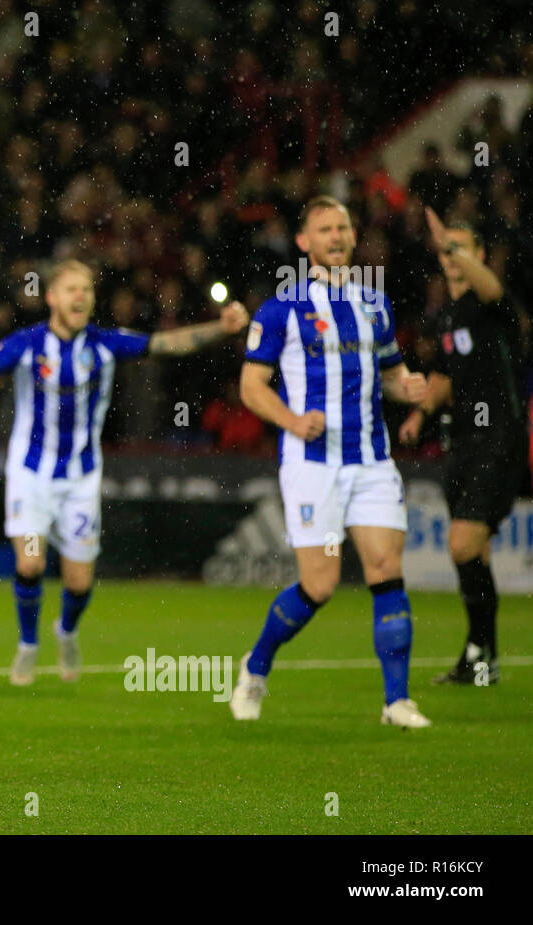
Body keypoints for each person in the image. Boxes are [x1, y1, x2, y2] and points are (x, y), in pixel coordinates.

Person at [0, 259, 248, 684]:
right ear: (51, 298)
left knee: (79, 580)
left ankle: (65, 631)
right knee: (30, 564)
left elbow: (166, 344)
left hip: (81, 478)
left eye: (86, 289)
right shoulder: (26, 344)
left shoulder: (104, 343)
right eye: (71, 289)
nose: (80, 296)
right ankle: (28, 645)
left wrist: (221, 328)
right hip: (31, 475)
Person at [230, 195, 432, 728]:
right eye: (325, 229)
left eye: (343, 226)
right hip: (312, 463)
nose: (337, 236)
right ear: (304, 242)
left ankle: (397, 701)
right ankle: (256, 667)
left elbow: (391, 372)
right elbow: (251, 387)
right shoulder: (281, 309)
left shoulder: (374, 304)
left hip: (371, 459)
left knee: (386, 571)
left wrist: (406, 384)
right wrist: (293, 421)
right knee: (319, 585)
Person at [399, 209, 527, 686]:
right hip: (465, 442)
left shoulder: (494, 304)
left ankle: (480, 654)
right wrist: (419, 412)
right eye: (446, 250)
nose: (451, 258)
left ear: (477, 257)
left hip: (501, 437)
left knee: (462, 543)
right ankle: (482, 659)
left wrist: (450, 244)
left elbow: (492, 287)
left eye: (461, 249)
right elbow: (446, 377)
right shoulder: (447, 315)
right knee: (476, 554)